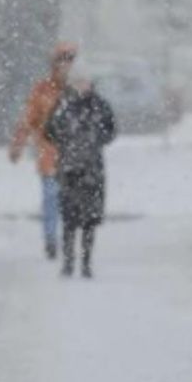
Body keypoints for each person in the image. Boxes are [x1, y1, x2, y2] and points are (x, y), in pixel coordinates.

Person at [44, 74, 116, 278]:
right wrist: (66, 140)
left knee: (89, 219)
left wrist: (95, 138)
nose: (81, 85)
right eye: (78, 81)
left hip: (92, 169)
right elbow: (49, 131)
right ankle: (68, 262)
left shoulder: (100, 105)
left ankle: (86, 262)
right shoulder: (62, 105)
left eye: (85, 81)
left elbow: (111, 131)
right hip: (68, 169)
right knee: (69, 217)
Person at [10, 42, 77, 259]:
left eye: (70, 61)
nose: (65, 66)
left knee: (71, 199)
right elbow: (28, 119)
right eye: (62, 61)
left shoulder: (78, 90)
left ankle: (69, 238)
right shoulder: (42, 90)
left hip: (75, 156)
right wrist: (18, 145)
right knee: (51, 197)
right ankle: (51, 238)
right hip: (49, 154)